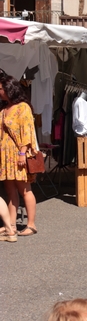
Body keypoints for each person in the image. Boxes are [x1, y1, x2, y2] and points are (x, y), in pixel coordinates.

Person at [0, 75, 39, 237]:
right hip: (5, 155)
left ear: (10, 89)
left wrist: (22, 152)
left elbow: (27, 131)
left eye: (1, 89)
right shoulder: (3, 109)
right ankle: (11, 225)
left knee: (24, 189)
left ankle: (31, 224)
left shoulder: (23, 107)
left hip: (17, 154)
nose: (0, 92)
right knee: (10, 191)